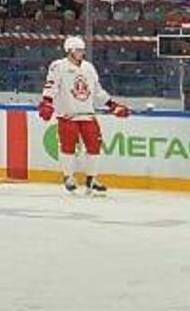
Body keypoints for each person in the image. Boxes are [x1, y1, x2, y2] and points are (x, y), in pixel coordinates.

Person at [39, 36, 132, 195]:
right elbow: (51, 86)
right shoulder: (58, 66)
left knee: (94, 146)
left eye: (82, 50)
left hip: (87, 114)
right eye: (78, 50)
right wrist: (47, 102)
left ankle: (91, 179)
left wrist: (113, 106)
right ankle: (68, 177)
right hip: (68, 115)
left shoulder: (89, 67)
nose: (81, 53)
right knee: (68, 147)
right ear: (69, 51)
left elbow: (97, 91)